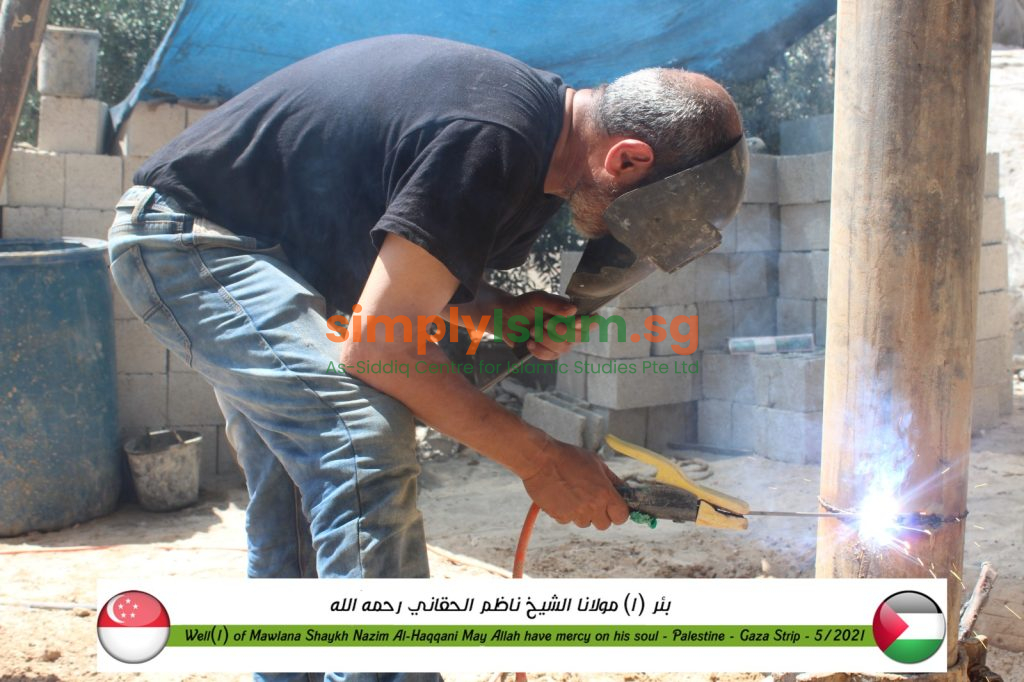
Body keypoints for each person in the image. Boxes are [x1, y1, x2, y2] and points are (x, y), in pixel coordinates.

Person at [107, 34, 742, 682]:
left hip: (274, 259)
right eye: (633, 218)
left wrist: (496, 309)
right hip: (194, 241)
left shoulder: (533, 149)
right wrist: (543, 461)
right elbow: (379, 346)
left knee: (297, 494)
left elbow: (406, 270)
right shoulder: (494, 138)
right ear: (627, 158)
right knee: (360, 440)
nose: (615, 234)